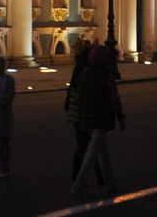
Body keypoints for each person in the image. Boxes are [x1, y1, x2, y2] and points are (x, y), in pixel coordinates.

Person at [70, 44, 124, 199]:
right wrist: (120, 117)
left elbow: (79, 97)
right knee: (93, 151)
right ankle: (78, 186)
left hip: (87, 118)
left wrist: (80, 116)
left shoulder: (84, 73)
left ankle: (110, 185)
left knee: (103, 151)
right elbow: (114, 98)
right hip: (101, 117)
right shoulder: (107, 75)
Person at [63, 45, 102, 190]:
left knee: (84, 148)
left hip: (76, 117)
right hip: (87, 116)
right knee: (95, 148)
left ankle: (81, 177)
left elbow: (68, 103)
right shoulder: (88, 74)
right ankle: (97, 178)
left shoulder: (77, 74)